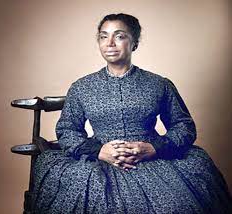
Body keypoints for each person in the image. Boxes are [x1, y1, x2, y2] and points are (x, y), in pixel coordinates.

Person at [33, 13, 232, 213]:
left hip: (153, 159)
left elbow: (184, 126)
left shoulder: (159, 84)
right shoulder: (81, 87)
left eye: (119, 36)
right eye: (103, 36)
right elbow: (67, 130)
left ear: (134, 43)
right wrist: (99, 151)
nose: (110, 43)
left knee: (177, 205)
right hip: (98, 162)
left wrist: (153, 148)